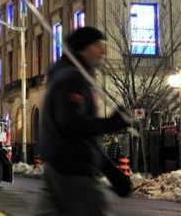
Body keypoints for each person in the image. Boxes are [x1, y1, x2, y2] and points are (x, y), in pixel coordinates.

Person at [32, 27, 132, 216]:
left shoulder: (70, 76)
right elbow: (71, 123)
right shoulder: (72, 78)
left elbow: (81, 134)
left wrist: (111, 171)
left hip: (60, 169)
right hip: (74, 171)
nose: (104, 52)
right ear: (84, 47)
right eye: (99, 46)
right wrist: (113, 123)